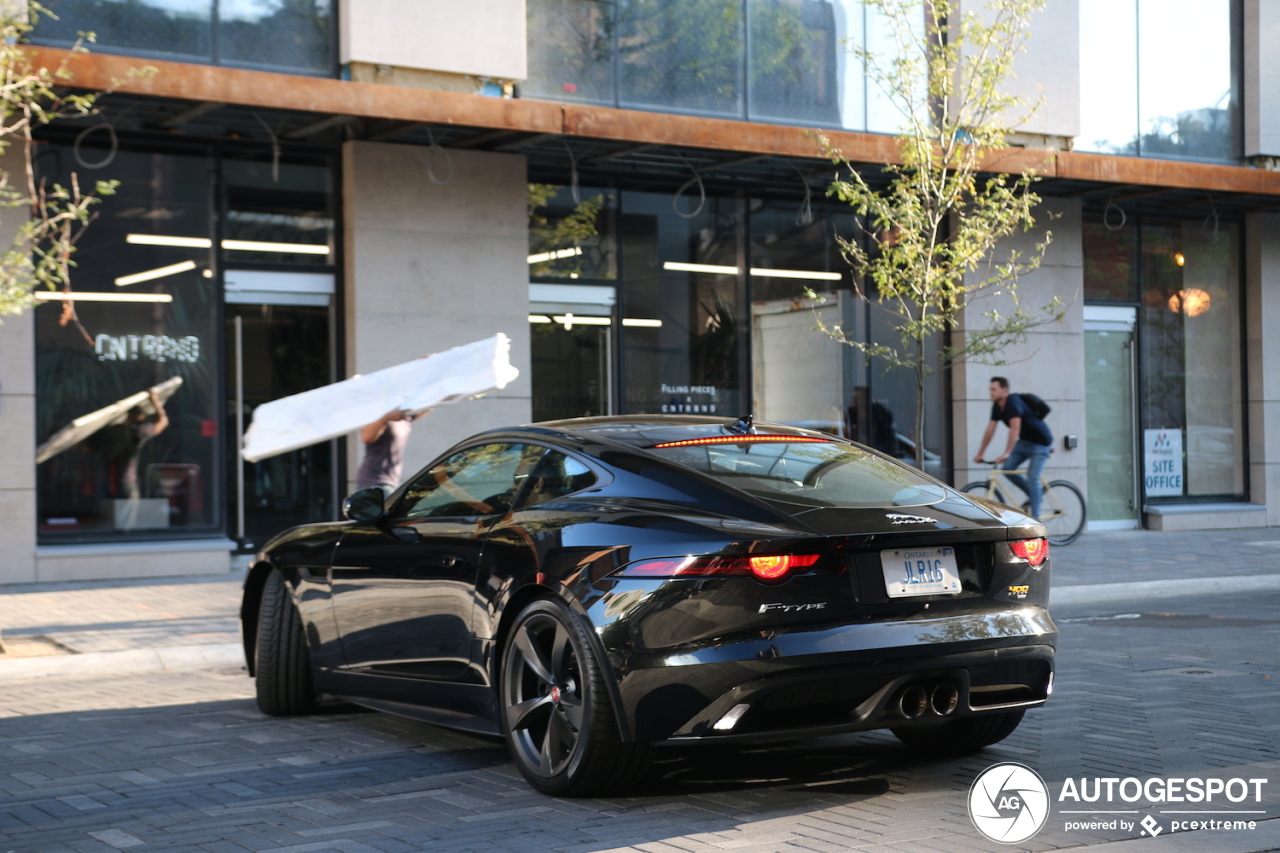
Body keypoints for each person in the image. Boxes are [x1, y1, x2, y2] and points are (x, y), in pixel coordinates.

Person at [973, 376, 1053, 519]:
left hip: (1040, 443)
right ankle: (1034, 495)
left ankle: (1036, 520)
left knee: (1032, 478)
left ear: (1004, 390)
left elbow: (1014, 429)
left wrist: (1007, 453)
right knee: (1007, 469)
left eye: (993, 389)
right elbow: (990, 430)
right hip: (1024, 442)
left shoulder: (1013, 402)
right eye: (990, 389)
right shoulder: (997, 406)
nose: (990, 392)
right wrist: (980, 453)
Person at [355, 408, 426, 494]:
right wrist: (385, 418)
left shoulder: (405, 417)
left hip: (391, 481)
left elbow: (425, 407)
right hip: (374, 480)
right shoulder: (381, 416)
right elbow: (365, 438)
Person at [120, 388, 169, 500]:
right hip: (127, 480)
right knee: (128, 515)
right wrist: (155, 401)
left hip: (115, 481)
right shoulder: (138, 431)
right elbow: (163, 422)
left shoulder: (119, 430)